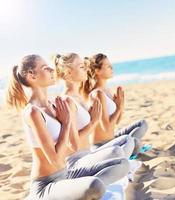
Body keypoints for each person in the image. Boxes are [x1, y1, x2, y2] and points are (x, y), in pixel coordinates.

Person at [6, 54, 130, 200]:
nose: (52, 70)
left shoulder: (54, 106)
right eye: (45, 68)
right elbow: (55, 159)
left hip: (67, 174)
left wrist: (70, 122)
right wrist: (66, 123)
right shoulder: (32, 112)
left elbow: (74, 145)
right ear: (32, 76)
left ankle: (76, 190)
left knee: (122, 164)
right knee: (95, 186)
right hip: (47, 184)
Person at [83, 53, 148, 154]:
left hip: (112, 138)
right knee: (135, 143)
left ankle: (129, 150)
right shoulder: (97, 94)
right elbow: (106, 126)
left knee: (142, 124)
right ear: (97, 71)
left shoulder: (107, 91)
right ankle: (130, 152)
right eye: (108, 66)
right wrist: (119, 107)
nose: (112, 68)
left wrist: (120, 107)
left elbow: (117, 121)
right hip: (102, 145)